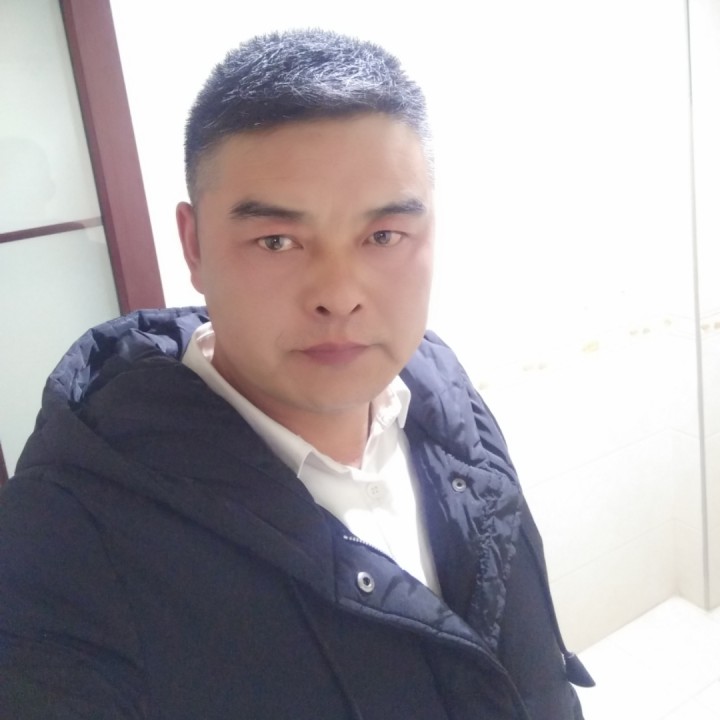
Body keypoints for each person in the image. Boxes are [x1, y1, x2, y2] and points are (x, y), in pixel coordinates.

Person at [0, 29, 592, 719]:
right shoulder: (70, 543)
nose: (339, 295)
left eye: (383, 236)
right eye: (277, 241)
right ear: (194, 246)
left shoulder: (438, 384)